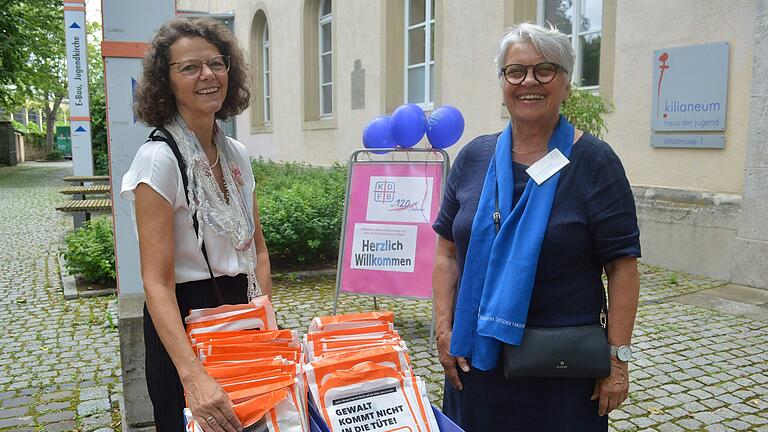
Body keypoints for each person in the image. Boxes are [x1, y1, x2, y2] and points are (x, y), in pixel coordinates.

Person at [431, 23, 641, 431]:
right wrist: (444, 330)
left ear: (565, 82)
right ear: (503, 82)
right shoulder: (474, 157)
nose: (529, 81)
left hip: (561, 370)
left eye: (545, 69)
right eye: (516, 71)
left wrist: (617, 360)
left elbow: (623, 268)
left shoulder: (595, 163)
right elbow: (446, 252)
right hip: (475, 362)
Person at [120, 18, 272, 432]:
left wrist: (265, 322)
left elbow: (257, 249)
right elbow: (155, 283)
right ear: (164, 83)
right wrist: (193, 375)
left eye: (216, 63)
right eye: (189, 67)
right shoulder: (158, 160)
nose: (207, 75)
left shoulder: (236, 152)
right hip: (186, 324)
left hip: (242, 312)